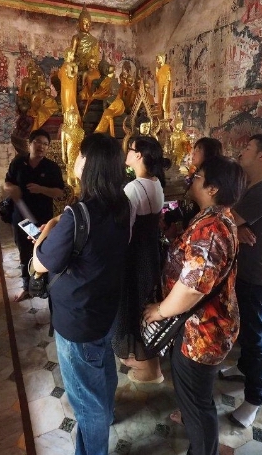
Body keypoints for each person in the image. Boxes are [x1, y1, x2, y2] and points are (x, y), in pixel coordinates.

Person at [32, 133, 131, 455]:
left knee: (87, 403)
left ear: (88, 164)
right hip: (105, 309)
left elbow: (41, 262)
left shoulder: (78, 215)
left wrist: (47, 231)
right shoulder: (122, 205)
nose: (74, 161)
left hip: (78, 320)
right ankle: (108, 415)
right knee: (103, 369)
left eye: (78, 155)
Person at [143, 156, 245, 455]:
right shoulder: (213, 218)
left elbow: (192, 288)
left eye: (198, 176)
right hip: (203, 325)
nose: (192, 179)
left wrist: (159, 310)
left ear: (213, 188)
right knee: (194, 397)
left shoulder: (211, 228)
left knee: (198, 405)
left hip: (203, 331)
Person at [224, 134, 262, 428]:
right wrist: (237, 229)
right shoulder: (255, 184)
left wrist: (233, 227)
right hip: (248, 270)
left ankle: (254, 399)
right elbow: (231, 220)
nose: (242, 151)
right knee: (245, 331)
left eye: (248, 147)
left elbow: (224, 219)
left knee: (253, 338)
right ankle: (243, 368)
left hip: (257, 275)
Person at [114, 136, 169, 383]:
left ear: (138, 156)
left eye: (130, 149)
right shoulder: (156, 182)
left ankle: (145, 362)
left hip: (135, 254)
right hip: (150, 250)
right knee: (146, 298)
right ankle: (146, 355)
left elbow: (126, 230)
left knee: (133, 302)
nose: (126, 152)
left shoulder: (134, 188)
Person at [4, 129, 64, 302]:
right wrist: (11, 188)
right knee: (24, 250)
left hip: (43, 219)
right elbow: (7, 182)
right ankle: (26, 287)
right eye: (38, 142)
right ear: (29, 144)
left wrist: (41, 189)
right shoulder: (18, 163)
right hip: (22, 218)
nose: (41, 147)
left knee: (42, 250)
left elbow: (59, 192)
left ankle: (44, 285)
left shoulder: (51, 168)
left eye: (45, 144)